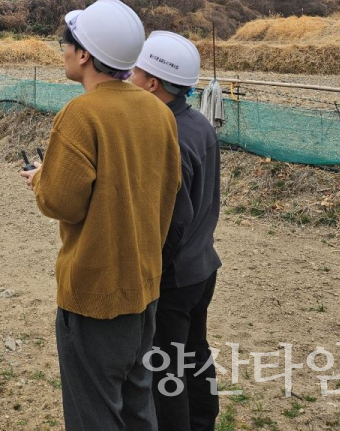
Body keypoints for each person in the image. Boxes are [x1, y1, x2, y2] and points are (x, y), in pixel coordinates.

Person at [20, 0, 182, 431]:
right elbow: (166, 186)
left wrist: (41, 179)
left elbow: (61, 203)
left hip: (95, 294)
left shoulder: (81, 114)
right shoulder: (159, 112)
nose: (63, 51)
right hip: (143, 288)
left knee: (94, 414)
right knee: (137, 406)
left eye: (66, 44)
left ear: (84, 55)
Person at [130, 31, 222, 431]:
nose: (129, 77)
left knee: (165, 371)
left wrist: (154, 272)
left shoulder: (169, 136)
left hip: (175, 278)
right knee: (194, 354)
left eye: (135, 72)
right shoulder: (198, 123)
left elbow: (174, 220)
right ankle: (204, 421)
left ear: (152, 82)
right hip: (202, 267)